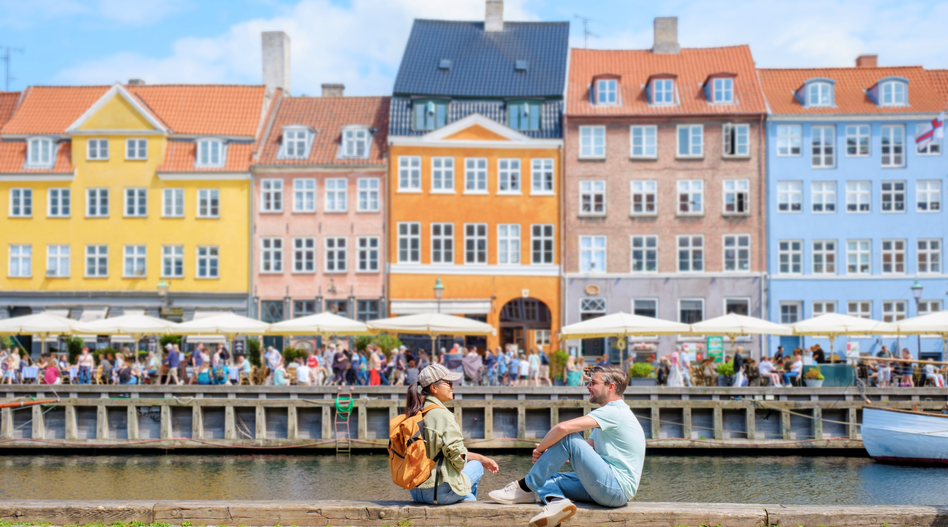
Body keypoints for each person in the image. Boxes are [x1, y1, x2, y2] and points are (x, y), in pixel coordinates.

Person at [488, 366, 646, 527]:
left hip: (614, 489)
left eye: (593, 383)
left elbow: (563, 429)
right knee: (545, 477)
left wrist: (540, 450)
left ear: (610, 387)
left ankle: (523, 487)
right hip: (605, 488)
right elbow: (583, 451)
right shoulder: (611, 415)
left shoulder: (614, 412)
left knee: (569, 436)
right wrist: (549, 456)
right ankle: (556, 502)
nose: (588, 386)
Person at [404, 364, 499, 504]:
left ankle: (468, 501)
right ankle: (468, 504)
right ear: (433, 388)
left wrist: (480, 457)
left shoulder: (416, 412)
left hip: (416, 491)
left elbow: (442, 452)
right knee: (477, 467)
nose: (452, 387)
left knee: (468, 495)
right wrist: (464, 464)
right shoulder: (442, 415)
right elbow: (457, 456)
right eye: (448, 383)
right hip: (438, 492)